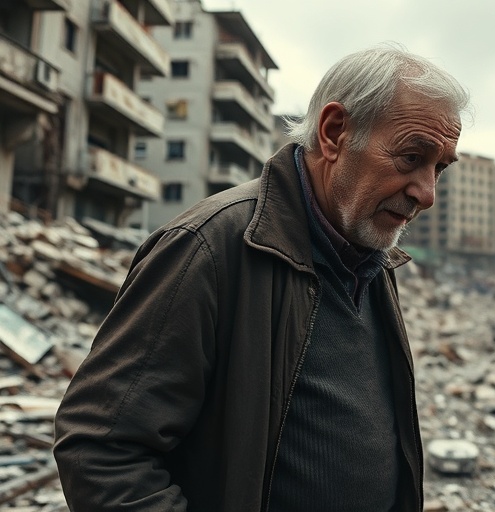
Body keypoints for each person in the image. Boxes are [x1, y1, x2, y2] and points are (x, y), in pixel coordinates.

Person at [53, 44, 471, 511]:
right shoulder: (209, 247)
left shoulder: (371, 258)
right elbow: (99, 448)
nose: (427, 192)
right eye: (412, 158)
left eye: (440, 168)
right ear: (335, 134)